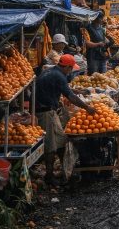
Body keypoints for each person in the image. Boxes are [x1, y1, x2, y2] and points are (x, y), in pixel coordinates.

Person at [35, 54, 96, 185]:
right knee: (50, 146)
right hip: (45, 112)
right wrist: (87, 108)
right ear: (67, 67)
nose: (71, 71)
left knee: (61, 140)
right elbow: (70, 97)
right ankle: (49, 176)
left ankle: (66, 171)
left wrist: (76, 90)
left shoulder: (51, 71)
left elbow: (63, 88)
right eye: (71, 68)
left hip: (49, 111)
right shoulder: (59, 75)